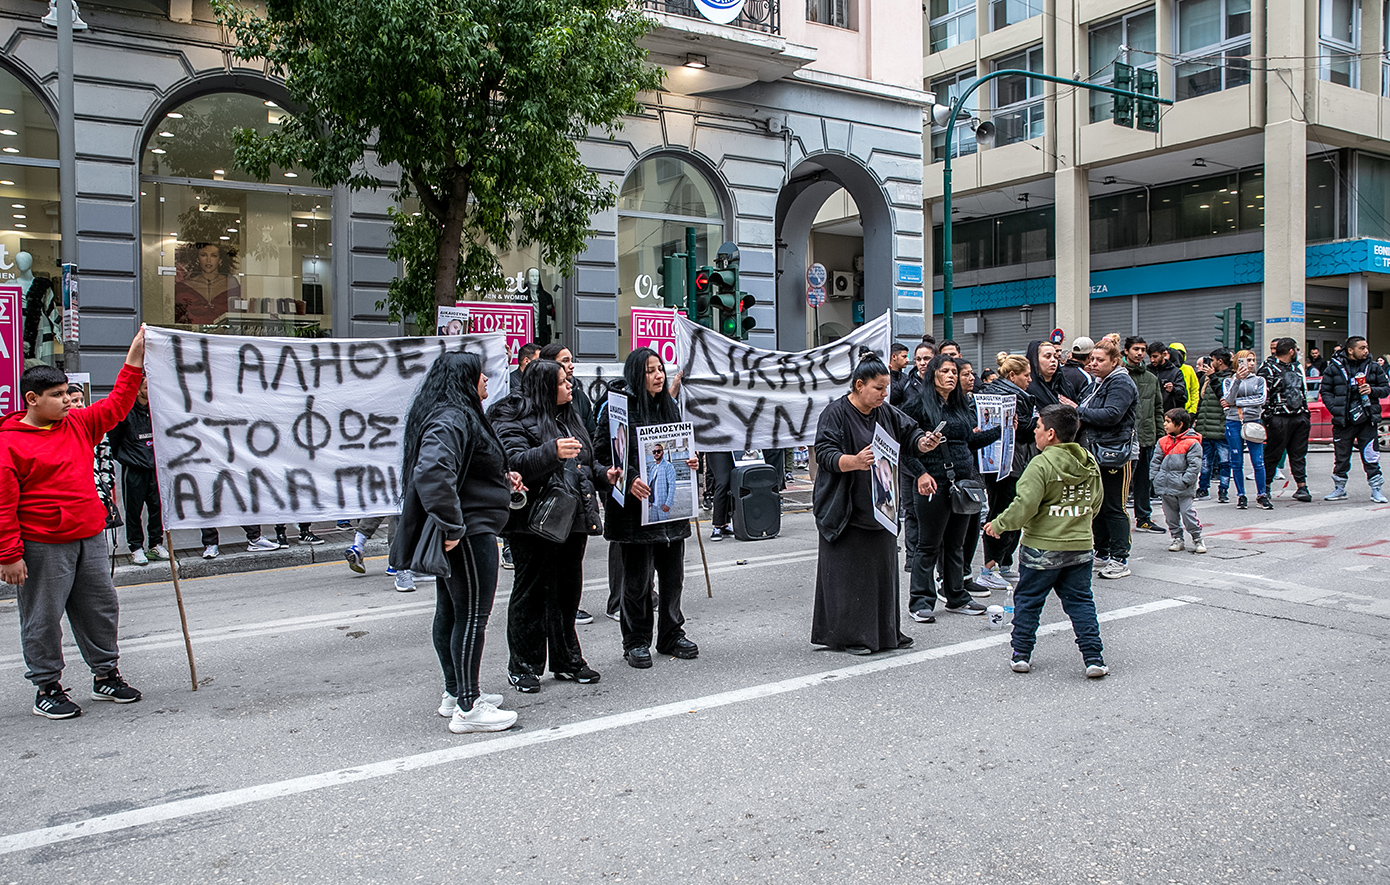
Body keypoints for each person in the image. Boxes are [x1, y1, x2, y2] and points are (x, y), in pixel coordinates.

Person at [1, 329, 148, 719]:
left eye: (68, 393)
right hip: (42, 544)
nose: (68, 400)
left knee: (101, 607)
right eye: (58, 395)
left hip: (89, 537)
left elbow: (117, 404)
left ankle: (105, 676)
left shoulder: (79, 424)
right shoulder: (9, 444)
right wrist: (9, 555)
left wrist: (134, 357)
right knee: (43, 617)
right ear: (32, 399)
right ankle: (47, 687)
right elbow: (3, 506)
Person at [391, 352, 519, 734]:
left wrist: (502, 478)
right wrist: (452, 526)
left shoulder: (452, 414)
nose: (485, 382)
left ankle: (455, 692)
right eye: (481, 376)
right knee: (472, 617)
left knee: (451, 611)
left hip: (469, 526)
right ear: (465, 380)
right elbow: (432, 471)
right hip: (469, 532)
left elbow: (464, 469)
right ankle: (468, 706)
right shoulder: (452, 417)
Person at [811, 351, 940, 654]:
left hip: (882, 506)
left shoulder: (886, 412)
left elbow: (910, 434)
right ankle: (849, 636)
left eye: (887, 388)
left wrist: (924, 442)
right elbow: (825, 452)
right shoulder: (835, 413)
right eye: (878, 388)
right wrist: (853, 461)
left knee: (883, 572)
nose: (885, 393)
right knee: (849, 578)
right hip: (846, 508)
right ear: (858, 385)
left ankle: (885, 633)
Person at [492, 359, 606, 692]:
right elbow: (513, 463)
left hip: (573, 517)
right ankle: (523, 664)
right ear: (543, 387)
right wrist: (551, 451)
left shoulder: (570, 416)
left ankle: (567, 659)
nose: (569, 385)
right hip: (533, 521)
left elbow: (586, 462)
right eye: (561, 381)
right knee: (531, 593)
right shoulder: (511, 415)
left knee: (567, 592)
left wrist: (605, 476)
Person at [984, 404, 1107, 678]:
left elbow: (1024, 504)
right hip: (1080, 544)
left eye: (1038, 427)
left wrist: (999, 525)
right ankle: (1094, 658)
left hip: (1042, 546)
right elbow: (1095, 503)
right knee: (1080, 602)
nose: (1035, 432)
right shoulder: (1088, 460)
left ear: (1051, 434)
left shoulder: (1040, 463)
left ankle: (1021, 654)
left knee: (1028, 600)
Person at [595, 347, 700, 669]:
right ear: (636, 375)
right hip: (634, 514)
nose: (657, 376)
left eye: (660, 370)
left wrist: (691, 463)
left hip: (670, 514)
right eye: (650, 371)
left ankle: (671, 633)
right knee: (638, 583)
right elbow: (600, 456)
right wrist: (628, 479)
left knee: (673, 579)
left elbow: (679, 451)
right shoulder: (616, 409)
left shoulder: (669, 406)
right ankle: (636, 641)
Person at [901, 354, 997, 619]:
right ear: (933, 375)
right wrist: (920, 474)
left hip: (962, 484)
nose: (952, 376)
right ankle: (921, 602)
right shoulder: (918, 405)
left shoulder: (960, 405)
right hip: (932, 483)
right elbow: (904, 447)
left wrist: (999, 432)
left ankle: (957, 597)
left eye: (954, 371)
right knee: (928, 545)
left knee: (956, 544)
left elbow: (968, 442)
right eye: (945, 371)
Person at [1075, 339, 1137, 580]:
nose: (1094, 364)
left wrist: (1077, 411)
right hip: (1094, 450)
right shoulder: (1097, 383)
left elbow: (1112, 414)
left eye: (1100, 360)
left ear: (1114, 361)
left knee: (1114, 505)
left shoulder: (1120, 381)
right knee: (1097, 504)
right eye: (1092, 359)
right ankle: (1102, 551)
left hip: (1115, 452)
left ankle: (1120, 558)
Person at [976, 353, 1036, 592]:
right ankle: (990, 567)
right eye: (1026, 375)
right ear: (1013, 376)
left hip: (1008, 462)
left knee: (1009, 510)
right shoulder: (1010, 395)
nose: (1029, 380)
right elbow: (1021, 430)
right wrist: (1038, 422)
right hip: (1007, 463)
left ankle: (1001, 564)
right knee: (1004, 511)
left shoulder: (1007, 392)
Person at [1319, 335, 1390, 502]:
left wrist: (1372, 390)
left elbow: (1386, 389)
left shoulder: (1373, 367)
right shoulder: (1334, 368)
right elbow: (1325, 391)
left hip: (1367, 420)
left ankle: (1376, 489)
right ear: (1350, 350)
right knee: (1341, 457)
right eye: (1362, 348)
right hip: (1344, 421)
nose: (1366, 351)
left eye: (1366, 347)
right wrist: (1335, 408)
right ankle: (1339, 488)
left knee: (1371, 456)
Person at [107, 376, 167, 565]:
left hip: (154, 468)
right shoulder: (126, 412)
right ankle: (136, 547)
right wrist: (127, 458)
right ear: (138, 389)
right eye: (147, 387)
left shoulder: (156, 409)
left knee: (157, 508)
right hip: (134, 468)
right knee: (134, 510)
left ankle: (156, 544)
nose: (150, 391)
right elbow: (114, 439)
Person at [1259, 337, 1313, 502]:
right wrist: (1268, 416)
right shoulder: (1267, 368)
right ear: (1291, 351)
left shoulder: (1297, 368)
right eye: (1295, 350)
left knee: (1298, 452)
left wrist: (1305, 413)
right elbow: (1263, 394)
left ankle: (1302, 486)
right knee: (1273, 453)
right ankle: (1265, 486)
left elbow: (1303, 390)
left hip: (1299, 416)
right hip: (1278, 417)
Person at [1124, 337, 1165, 534]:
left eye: (1143, 350)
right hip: (1124, 437)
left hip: (1146, 436)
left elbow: (1158, 407)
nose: (1140, 353)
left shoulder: (1151, 378)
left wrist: (1161, 435)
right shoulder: (1120, 375)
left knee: (1143, 479)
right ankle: (1118, 517)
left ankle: (1144, 517)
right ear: (1126, 351)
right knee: (1121, 481)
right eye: (1136, 349)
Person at [1221, 349, 1271, 510]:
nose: (1250, 363)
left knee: (1258, 461)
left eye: (1253, 360)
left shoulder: (1259, 380)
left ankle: (1262, 494)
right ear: (1238, 362)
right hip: (1234, 421)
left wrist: (1237, 403)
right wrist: (1237, 380)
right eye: (1246, 360)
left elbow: (1261, 399)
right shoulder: (1229, 381)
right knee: (1236, 461)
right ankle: (1241, 495)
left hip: (1253, 420)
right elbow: (1228, 398)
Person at [1151, 408, 1205, 554]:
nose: (1165, 424)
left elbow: (1195, 465)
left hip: (1183, 487)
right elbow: (1155, 461)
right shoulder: (1162, 441)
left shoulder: (1192, 443)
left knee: (1188, 513)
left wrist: (1186, 480)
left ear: (1179, 424)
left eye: (1168, 422)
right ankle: (1177, 538)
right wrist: (1155, 477)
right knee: (1170, 516)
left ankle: (1197, 538)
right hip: (1166, 485)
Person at [1195, 349, 1233, 502]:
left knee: (1225, 462)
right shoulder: (1207, 378)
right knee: (1204, 462)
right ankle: (1203, 488)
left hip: (1221, 428)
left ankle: (1223, 490)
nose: (1209, 364)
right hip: (1205, 427)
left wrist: (1212, 377)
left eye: (1212, 360)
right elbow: (1201, 400)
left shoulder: (1230, 379)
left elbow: (1223, 396)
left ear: (1220, 361)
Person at [174, 242, 239, 325]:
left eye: (213, 255)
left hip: (224, 336)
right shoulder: (184, 286)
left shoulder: (231, 283)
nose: (208, 260)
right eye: (203, 255)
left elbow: (238, 314)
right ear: (197, 259)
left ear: (220, 260)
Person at [1147, 341, 1187, 415]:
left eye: (1155, 356)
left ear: (1164, 354)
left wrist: (1173, 389)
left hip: (1168, 414)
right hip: (1150, 414)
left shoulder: (1175, 372)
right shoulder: (1147, 371)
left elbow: (1182, 395)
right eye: (1150, 357)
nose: (1152, 360)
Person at [1167, 343, 1201, 414]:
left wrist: (1193, 410)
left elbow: (1194, 390)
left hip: (1186, 410)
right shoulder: (1164, 369)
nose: (1179, 356)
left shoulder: (1189, 369)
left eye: (1181, 353)